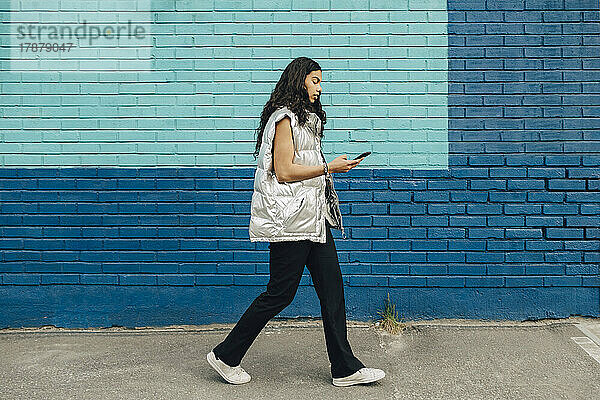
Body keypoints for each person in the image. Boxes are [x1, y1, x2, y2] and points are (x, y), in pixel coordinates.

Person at [207, 57, 385, 387]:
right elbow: (285, 171)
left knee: (332, 291)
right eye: (315, 80)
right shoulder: (285, 119)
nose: (320, 87)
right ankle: (226, 355)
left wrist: (330, 168)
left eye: (320, 81)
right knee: (279, 294)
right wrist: (330, 168)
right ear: (299, 80)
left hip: (313, 219)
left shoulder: (307, 120)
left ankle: (344, 368)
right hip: (290, 221)